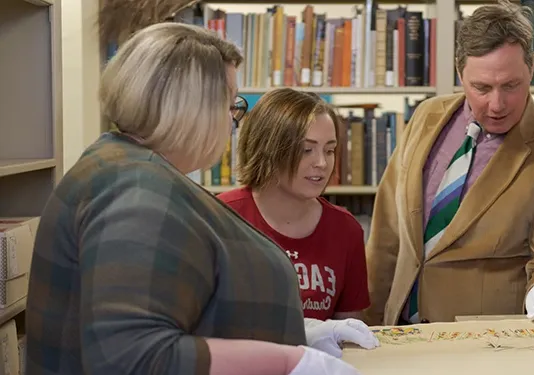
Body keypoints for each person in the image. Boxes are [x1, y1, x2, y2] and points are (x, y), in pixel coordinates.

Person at [24, 22, 371, 375]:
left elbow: (178, 310)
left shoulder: (130, 171)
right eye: (230, 103)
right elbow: (132, 357)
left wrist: (298, 335)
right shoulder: (137, 194)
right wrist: (286, 360)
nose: (233, 122)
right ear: (191, 107)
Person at [363, 0, 534, 326]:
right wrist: (371, 325)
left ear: (531, 68)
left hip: (483, 344)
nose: (497, 104)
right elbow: (387, 237)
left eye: (511, 85)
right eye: (482, 87)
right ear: (459, 71)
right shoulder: (426, 116)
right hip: (399, 332)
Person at [217, 88, 372, 328]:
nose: (321, 163)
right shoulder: (220, 217)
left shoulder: (346, 229)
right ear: (268, 148)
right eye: (306, 150)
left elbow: (350, 334)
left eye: (329, 150)